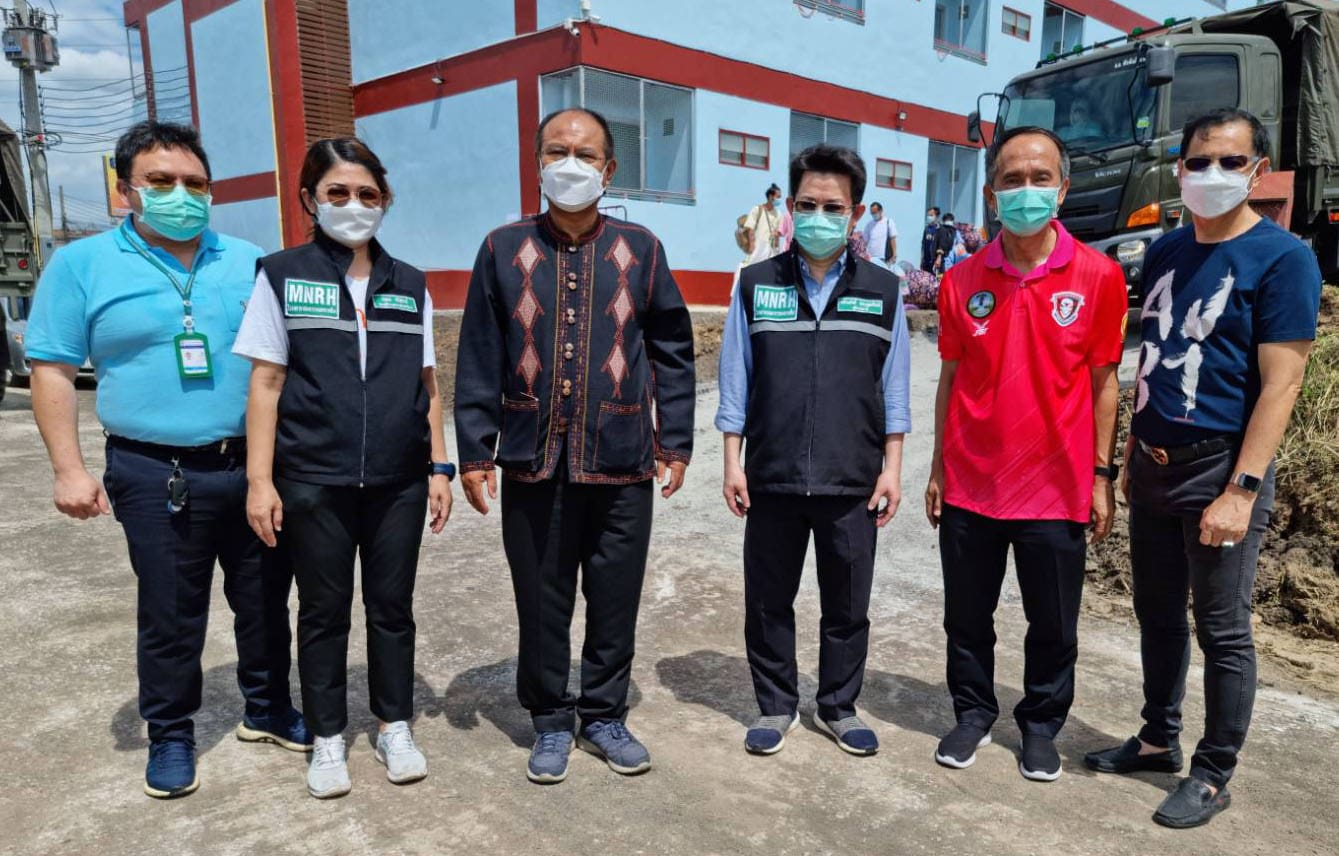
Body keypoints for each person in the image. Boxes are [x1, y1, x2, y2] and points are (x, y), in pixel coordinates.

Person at [25, 121, 307, 799]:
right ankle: (172, 732)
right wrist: (68, 469)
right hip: (156, 472)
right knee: (171, 610)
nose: (181, 194)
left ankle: (267, 708)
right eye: (161, 181)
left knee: (265, 599)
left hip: (253, 466)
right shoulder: (82, 265)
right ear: (126, 189)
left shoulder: (249, 260)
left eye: (195, 183)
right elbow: (51, 368)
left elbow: (284, 363)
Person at [1084, 108, 1322, 829]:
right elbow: (1151, 360)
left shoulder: (1283, 259)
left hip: (1219, 469)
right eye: (1197, 161)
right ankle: (1158, 739)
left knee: (1222, 628)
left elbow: (1282, 384)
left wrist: (1241, 489)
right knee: (1156, 613)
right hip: (1154, 464)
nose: (1210, 173)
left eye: (1229, 161)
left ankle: (1213, 772)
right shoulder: (1166, 251)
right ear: (1179, 168)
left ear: (1258, 171)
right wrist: (1130, 454)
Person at [454, 107, 696, 785]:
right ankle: (551, 719)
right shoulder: (502, 249)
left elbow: (673, 351)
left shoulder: (641, 249)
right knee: (542, 598)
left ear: (608, 169)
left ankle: (604, 715)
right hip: (532, 458)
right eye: (556, 152)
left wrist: (674, 440)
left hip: (622, 457)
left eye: (585, 155)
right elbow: (478, 354)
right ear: (537, 164)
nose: (571, 165)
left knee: (615, 597)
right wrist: (474, 451)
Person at [234, 137, 453, 799]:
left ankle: (393, 726)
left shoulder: (409, 283)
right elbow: (266, 383)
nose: (354, 205)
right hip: (312, 480)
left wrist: (439, 465)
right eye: (338, 193)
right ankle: (328, 735)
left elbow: (428, 384)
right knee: (323, 612)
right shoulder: (281, 275)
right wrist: (260, 481)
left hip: (398, 481)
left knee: (392, 609)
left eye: (367, 194)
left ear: (384, 202)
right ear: (311, 199)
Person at [925, 126, 1127, 782]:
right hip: (971, 483)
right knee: (966, 618)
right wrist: (937, 466)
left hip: (1056, 486)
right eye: (1011, 179)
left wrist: (1100, 476)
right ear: (991, 194)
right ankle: (972, 713)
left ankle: (1040, 726)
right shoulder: (961, 280)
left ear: (1062, 190)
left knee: (1053, 624)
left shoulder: (1098, 276)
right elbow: (951, 377)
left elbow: (1103, 385)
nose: (1025, 191)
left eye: (1040, 178)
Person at [717, 144, 910, 757]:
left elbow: (895, 388)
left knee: (847, 606)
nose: (819, 216)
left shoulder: (884, 289)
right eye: (807, 205)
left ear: (854, 214)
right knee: (768, 600)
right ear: (790, 209)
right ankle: (776, 705)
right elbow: (736, 377)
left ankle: (838, 706)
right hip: (771, 477)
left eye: (833, 207)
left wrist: (892, 469)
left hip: (851, 480)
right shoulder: (756, 284)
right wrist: (731, 461)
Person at [743, 184, 785, 264]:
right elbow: (750, 229)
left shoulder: (779, 214)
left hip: (771, 252)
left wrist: (777, 250)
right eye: (778, 197)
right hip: (757, 250)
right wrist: (752, 246)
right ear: (770, 196)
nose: (779, 199)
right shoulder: (757, 210)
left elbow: (778, 234)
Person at [861, 202, 898, 270]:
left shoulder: (888, 222)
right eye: (872, 213)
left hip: (884, 258)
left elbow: (892, 238)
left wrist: (894, 254)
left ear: (881, 211)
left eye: (875, 212)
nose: (873, 214)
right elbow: (864, 241)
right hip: (871, 258)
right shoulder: (869, 225)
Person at [920, 206, 942, 272]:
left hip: (935, 262)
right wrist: (922, 259)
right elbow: (923, 244)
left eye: (931, 215)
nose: (929, 217)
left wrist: (939, 258)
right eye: (928, 215)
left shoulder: (940, 229)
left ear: (936, 216)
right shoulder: (927, 229)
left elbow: (941, 246)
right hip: (926, 261)